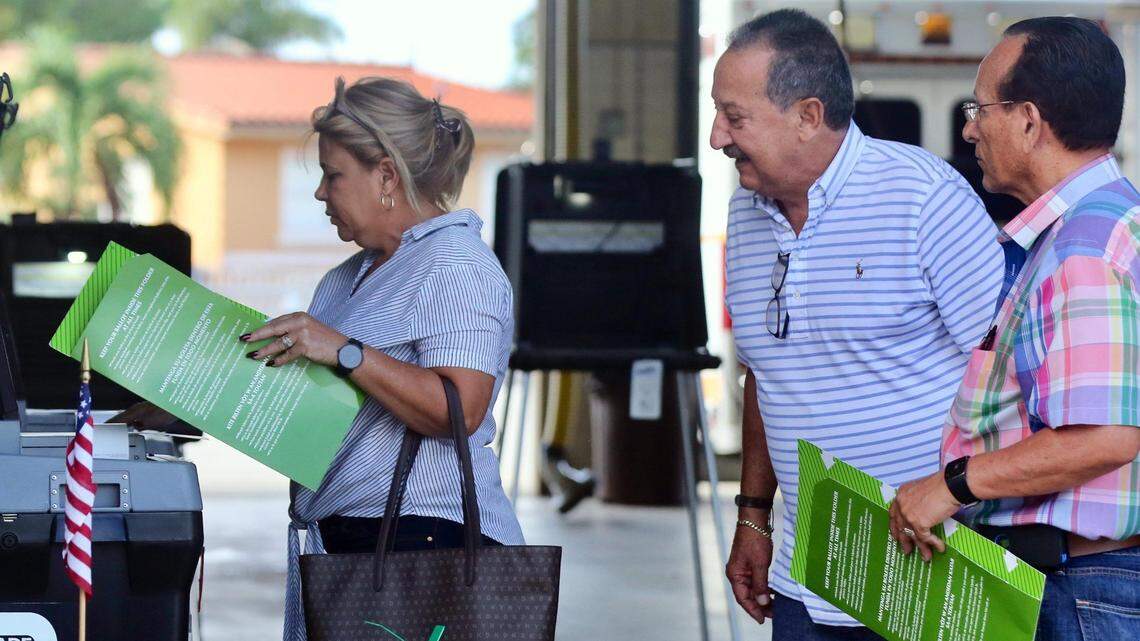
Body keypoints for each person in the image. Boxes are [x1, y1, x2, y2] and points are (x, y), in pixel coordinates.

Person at [712, 9, 1004, 640]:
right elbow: (766, 376)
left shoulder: (925, 198)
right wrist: (753, 515)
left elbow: (1007, 378)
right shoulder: (745, 211)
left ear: (808, 116)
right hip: (805, 579)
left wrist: (956, 493)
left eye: (734, 117)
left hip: (928, 576)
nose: (716, 137)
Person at [238, 76, 524, 640]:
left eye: (333, 173)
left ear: (387, 176)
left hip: (422, 542)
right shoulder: (346, 279)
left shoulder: (455, 265)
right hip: (353, 545)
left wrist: (344, 351)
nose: (321, 192)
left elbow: (460, 411)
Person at [890, 17, 1140, 639]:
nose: (969, 127)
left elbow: (1105, 436)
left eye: (981, 107)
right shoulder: (1102, 222)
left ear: (1029, 121)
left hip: (1082, 587)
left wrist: (951, 486)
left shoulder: (1083, 247)